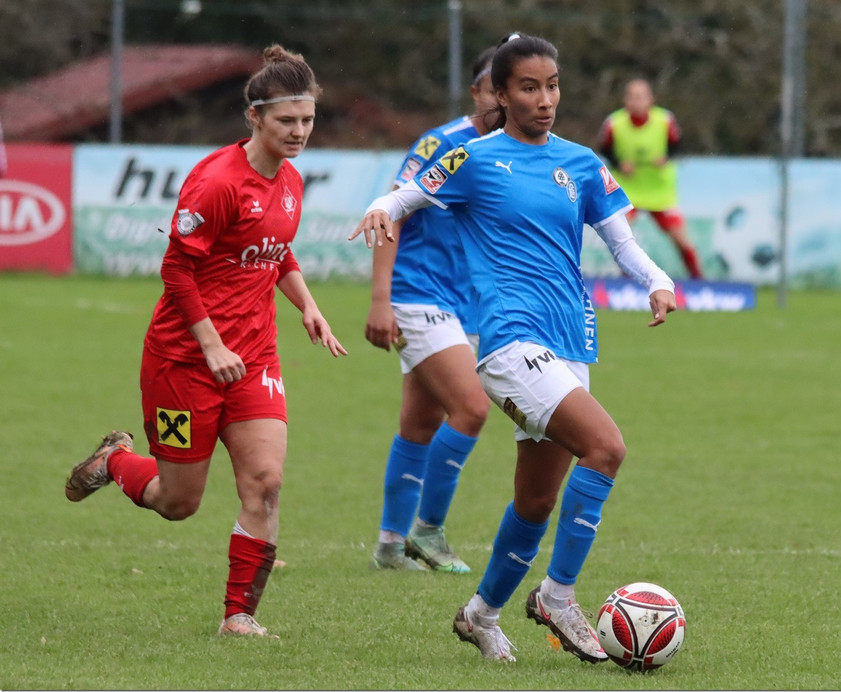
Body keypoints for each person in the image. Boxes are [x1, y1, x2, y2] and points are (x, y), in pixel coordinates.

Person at [352, 33, 677, 664]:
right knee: (606, 448)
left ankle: (480, 614)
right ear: (499, 94)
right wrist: (380, 209)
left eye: (552, 85)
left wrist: (657, 280)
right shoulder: (472, 158)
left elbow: (621, 242)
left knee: (535, 501)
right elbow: (405, 195)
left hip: (571, 338)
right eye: (529, 87)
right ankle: (557, 595)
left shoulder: (581, 162)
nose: (544, 98)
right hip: (509, 342)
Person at [64, 44, 345, 639]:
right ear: (255, 116)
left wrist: (308, 306)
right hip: (184, 362)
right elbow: (176, 269)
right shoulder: (216, 182)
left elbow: (276, 250)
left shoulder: (290, 179)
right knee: (178, 502)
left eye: (308, 120)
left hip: (255, 358)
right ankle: (114, 461)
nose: (299, 132)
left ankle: (238, 617)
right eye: (287, 121)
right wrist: (212, 344)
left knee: (265, 484)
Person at [365, 47, 498, 573]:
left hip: (467, 306)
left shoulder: (511, 152)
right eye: (494, 87)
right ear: (477, 91)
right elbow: (390, 213)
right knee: (472, 408)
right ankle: (429, 531)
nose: (503, 98)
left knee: (421, 425)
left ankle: (390, 545)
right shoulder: (442, 143)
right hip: (418, 295)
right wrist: (380, 299)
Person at [599, 77, 703, 279]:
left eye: (641, 97)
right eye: (632, 97)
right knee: (622, 238)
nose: (637, 101)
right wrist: (619, 164)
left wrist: (666, 157)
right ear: (625, 100)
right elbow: (605, 149)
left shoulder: (665, 120)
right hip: (628, 189)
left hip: (659, 189)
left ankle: (700, 282)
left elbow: (677, 144)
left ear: (651, 99)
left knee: (682, 240)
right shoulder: (614, 122)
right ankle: (625, 283)